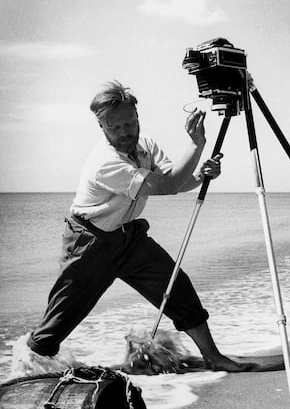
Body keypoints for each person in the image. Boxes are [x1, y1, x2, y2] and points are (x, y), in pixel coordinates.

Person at [26, 80, 254, 372]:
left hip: (129, 238)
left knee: (177, 286)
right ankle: (27, 371)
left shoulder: (145, 144)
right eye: (115, 128)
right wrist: (197, 144)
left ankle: (213, 356)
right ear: (102, 128)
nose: (124, 133)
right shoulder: (105, 163)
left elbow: (175, 177)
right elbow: (168, 186)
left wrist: (199, 174)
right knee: (59, 321)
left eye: (129, 124)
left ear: (137, 118)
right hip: (89, 242)